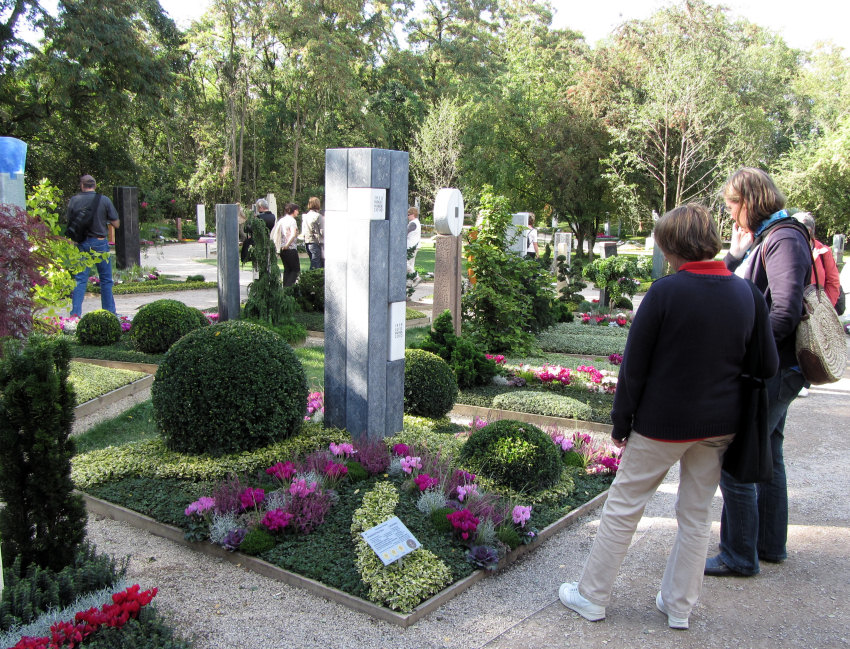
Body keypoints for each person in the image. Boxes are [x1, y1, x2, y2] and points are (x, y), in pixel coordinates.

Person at [559, 203, 778, 630]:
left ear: (672, 246)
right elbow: (766, 365)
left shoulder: (664, 292)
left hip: (662, 424)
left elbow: (634, 368)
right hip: (719, 426)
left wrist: (621, 425)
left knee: (624, 506)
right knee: (696, 515)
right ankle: (679, 606)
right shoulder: (746, 293)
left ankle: (592, 596)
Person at [705, 167, 811, 578]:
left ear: (749, 200)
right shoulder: (769, 236)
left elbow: (782, 311)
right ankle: (768, 545)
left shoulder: (783, 238)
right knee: (770, 454)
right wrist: (733, 255)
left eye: (733, 205)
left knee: (738, 457)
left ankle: (738, 553)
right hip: (779, 365)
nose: (731, 215)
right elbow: (726, 285)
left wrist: (750, 355)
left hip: (773, 367)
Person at [68, 174, 120, 317]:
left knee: (80, 280)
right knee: (105, 279)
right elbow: (116, 223)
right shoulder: (104, 200)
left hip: (81, 243)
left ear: (82, 185)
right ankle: (109, 313)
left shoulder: (74, 200)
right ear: (95, 185)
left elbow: (70, 222)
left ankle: (75, 314)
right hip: (99, 243)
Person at [792, 212, 840, 307]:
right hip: (795, 309)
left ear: (808, 231)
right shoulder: (788, 250)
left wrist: (825, 308)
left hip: (818, 309)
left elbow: (833, 283)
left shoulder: (824, 252)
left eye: (795, 228)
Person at [271, 202, 300, 287]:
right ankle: (288, 289)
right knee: (295, 270)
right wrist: (287, 245)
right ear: (293, 211)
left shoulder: (282, 220)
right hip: (290, 248)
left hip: (282, 249)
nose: (298, 212)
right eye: (297, 210)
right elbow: (293, 234)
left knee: (287, 270)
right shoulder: (292, 221)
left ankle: (284, 290)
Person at [241, 198, 276, 264]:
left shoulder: (259, 217)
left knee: (246, 244)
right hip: (267, 241)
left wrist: (250, 220)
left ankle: (246, 258)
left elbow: (247, 229)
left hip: (256, 242)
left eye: (258, 208)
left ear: (261, 207)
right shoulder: (273, 216)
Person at [301, 196, 324, 269]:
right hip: (316, 242)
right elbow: (322, 231)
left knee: (313, 262)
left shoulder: (306, 216)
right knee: (316, 265)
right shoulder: (318, 216)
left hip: (307, 242)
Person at [407, 206, 421, 284]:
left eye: (409, 214)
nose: (407, 216)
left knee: (405, 263)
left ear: (413, 214)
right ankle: (409, 282)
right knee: (411, 264)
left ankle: (416, 277)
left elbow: (405, 233)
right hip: (414, 246)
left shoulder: (413, 223)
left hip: (411, 247)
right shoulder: (416, 222)